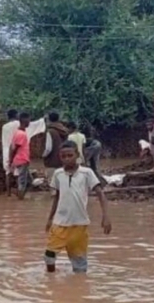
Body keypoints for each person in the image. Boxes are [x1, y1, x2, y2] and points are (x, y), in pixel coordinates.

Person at [44, 141, 112, 273]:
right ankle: (50, 278)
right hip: (60, 223)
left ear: (77, 155)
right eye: (63, 156)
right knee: (49, 256)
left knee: (79, 263)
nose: (67, 159)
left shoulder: (86, 173)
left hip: (79, 224)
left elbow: (100, 194)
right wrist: (49, 218)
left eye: (70, 155)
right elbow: (57, 197)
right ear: (60, 157)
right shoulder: (58, 174)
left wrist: (106, 216)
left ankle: (80, 287)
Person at [43, 112, 71, 194]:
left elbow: (48, 148)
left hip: (52, 161)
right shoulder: (64, 130)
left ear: (49, 120)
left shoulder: (50, 131)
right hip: (63, 160)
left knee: (53, 186)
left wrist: (43, 156)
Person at [8, 112, 32, 200]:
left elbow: (13, 147)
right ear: (24, 121)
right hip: (22, 160)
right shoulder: (21, 134)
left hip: (22, 159)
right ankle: (20, 196)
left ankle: (18, 193)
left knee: (29, 181)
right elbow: (14, 148)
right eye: (29, 120)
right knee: (22, 181)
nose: (30, 122)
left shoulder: (19, 132)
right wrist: (11, 161)